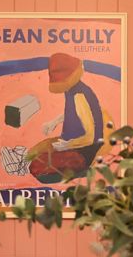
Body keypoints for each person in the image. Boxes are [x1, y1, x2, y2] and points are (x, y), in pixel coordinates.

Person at [26, 52, 105, 184]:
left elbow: (90, 137)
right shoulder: (71, 89)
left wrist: (68, 145)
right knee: (32, 153)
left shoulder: (79, 95)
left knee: (37, 168)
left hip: (84, 149)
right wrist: (54, 122)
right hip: (70, 141)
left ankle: (83, 170)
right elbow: (73, 113)